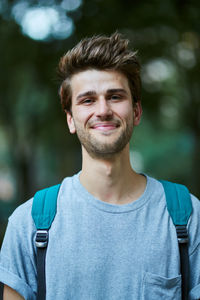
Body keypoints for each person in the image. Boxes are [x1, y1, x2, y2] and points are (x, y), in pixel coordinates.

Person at [0, 32, 200, 300]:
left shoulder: (188, 217)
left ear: (137, 112)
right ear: (70, 119)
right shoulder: (29, 224)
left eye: (115, 96)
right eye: (87, 100)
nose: (103, 110)